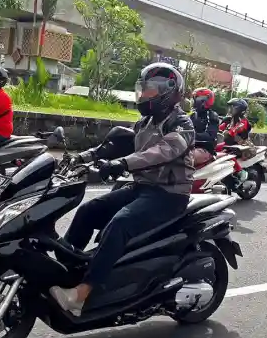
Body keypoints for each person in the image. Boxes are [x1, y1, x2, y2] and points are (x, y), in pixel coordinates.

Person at [49, 62, 195, 316]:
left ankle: (81, 294)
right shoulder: (145, 123)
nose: (145, 95)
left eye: (151, 90)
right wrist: (82, 158)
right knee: (88, 211)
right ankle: (67, 271)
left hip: (169, 196)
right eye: (144, 89)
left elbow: (161, 151)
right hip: (143, 188)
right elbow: (118, 144)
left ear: (169, 92)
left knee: (120, 223)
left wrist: (123, 164)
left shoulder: (182, 124)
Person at [217, 98, 252, 185]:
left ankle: (240, 172)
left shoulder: (243, 121)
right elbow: (219, 128)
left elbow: (234, 130)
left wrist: (228, 132)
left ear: (239, 110)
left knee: (225, 155)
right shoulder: (229, 119)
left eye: (232, 108)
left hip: (240, 146)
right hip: (228, 144)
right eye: (230, 108)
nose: (230, 110)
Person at [190, 87, 220, 166]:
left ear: (204, 100)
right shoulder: (193, 115)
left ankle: (186, 178)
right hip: (190, 146)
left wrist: (191, 134)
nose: (193, 101)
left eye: (195, 98)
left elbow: (211, 136)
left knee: (185, 158)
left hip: (205, 149)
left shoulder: (212, 116)